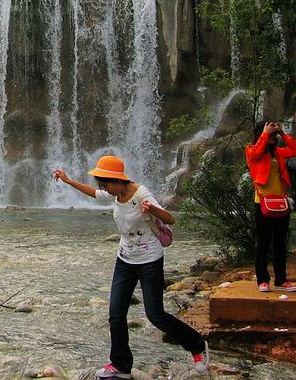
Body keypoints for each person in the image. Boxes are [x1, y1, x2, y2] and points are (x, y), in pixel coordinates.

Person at [54, 155, 208, 379]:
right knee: (116, 315)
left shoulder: (142, 194)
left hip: (149, 261)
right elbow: (94, 194)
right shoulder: (115, 193)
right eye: (102, 184)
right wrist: (68, 181)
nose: (103, 188)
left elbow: (170, 219)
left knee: (156, 315)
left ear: (118, 180)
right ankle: (121, 366)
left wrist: (152, 210)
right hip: (125, 260)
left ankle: (197, 346)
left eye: (105, 184)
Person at [245, 120, 296, 292]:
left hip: (281, 203)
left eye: (273, 135)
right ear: (261, 134)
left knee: (279, 243)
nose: (272, 137)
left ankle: (281, 280)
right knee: (263, 243)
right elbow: (255, 155)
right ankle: (262, 280)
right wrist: (264, 133)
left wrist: (283, 133)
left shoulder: (278, 153)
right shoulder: (252, 150)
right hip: (262, 203)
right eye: (270, 134)